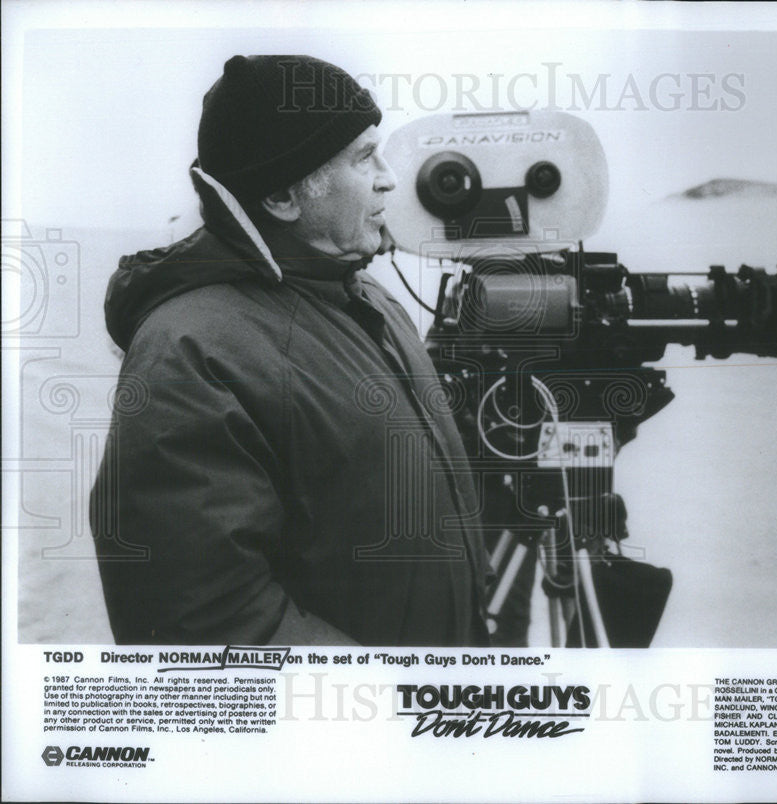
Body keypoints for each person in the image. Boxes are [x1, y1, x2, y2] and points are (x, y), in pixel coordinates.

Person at [89, 55, 491, 646]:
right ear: (282, 195)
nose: (389, 178)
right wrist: (388, 708)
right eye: (363, 159)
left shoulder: (368, 297)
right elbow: (206, 624)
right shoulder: (192, 352)